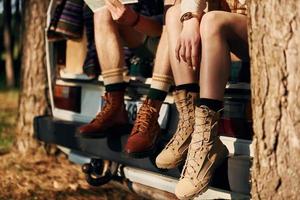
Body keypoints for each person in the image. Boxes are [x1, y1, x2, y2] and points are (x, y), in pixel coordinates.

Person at [156, 0, 249, 199]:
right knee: (175, 13)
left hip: (261, 27)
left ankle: (206, 139)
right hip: (230, 22)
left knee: (211, 20)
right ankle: (190, 120)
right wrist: (190, 18)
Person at [77, 0, 174, 158]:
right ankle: (115, 105)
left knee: (174, 17)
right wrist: (128, 16)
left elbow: (166, 26)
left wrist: (134, 19)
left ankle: (151, 110)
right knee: (103, 12)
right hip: (154, 34)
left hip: (179, 36)